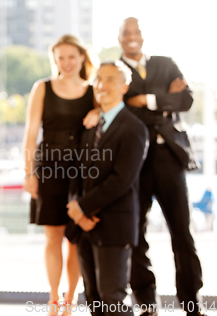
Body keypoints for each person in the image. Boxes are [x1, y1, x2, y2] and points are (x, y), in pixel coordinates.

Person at [118, 17, 204, 316]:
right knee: (135, 234)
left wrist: (147, 99)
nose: (132, 37)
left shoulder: (166, 64)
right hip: (134, 163)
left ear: (143, 35)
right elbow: (119, 107)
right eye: (126, 33)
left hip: (170, 158)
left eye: (136, 32)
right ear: (119, 38)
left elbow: (187, 99)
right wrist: (165, 100)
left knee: (182, 231)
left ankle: (192, 303)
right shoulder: (114, 71)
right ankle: (147, 304)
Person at [23, 34, 99, 315]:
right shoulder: (42, 88)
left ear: (82, 57)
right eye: (61, 57)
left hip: (82, 172)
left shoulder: (94, 91)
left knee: (75, 237)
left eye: (71, 56)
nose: (66, 62)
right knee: (53, 237)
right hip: (49, 169)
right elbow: (31, 134)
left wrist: (98, 112)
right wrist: (29, 173)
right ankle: (54, 298)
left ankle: (71, 297)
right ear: (55, 60)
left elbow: (110, 116)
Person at [65, 61, 149, 316]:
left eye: (111, 79)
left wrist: (82, 207)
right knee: (93, 300)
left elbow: (121, 180)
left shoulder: (135, 129)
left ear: (125, 86)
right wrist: (76, 209)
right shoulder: (90, 127)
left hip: (114, 225)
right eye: (98, 79)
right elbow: (76, 172)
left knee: (113, 300)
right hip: (84, 227)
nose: (102, 85)